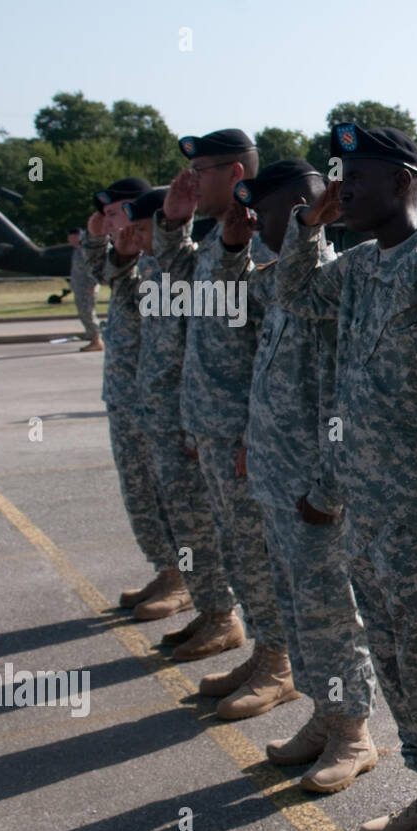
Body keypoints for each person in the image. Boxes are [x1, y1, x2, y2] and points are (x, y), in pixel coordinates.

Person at [275, 123, 417, 831]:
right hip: (367, 517)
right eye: (338, 177)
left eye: (358, 179)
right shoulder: (362, 267)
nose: (345, 190)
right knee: (398, 667)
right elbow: (296, 293)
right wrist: (310, 223)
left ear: (403, 182)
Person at [215, 159, 378, 792]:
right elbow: (239, 314)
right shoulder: (280, 279)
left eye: (277, 212)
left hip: (317, 484)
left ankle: (353, 732)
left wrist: (331, 484)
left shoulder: (334, 281)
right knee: (297, 607)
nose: (265, 224)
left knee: (331, 611)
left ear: (316, 209)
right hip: (278, 476)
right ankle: (324, 711)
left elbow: (346, 394)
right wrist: (255, 441)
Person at [153, 129, 294, 712]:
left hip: (243, 433)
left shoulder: (264, 242)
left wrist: (253, 435)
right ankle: (264, 651)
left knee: (261, 555)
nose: (191, 180)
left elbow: (277, 350)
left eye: (202, 171)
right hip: (211, 427)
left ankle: (282, 662)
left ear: (236, 173)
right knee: (239, 551)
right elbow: (171, 284)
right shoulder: (219, 241)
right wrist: (172, 222)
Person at [129, 184, 246, 657]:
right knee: (189, 526)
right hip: (182, 418)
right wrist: (170, 228)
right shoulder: (179, 264)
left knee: (211, 533)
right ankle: (210, 609)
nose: (141, 236)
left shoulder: (237, 256)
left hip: (206, 424)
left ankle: (227, 620)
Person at [82, 179, 179, 616]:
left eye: (119, 214)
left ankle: (185, 579)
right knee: (140, 494)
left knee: (170, 499)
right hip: (126, 397)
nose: (114, 224)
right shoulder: (132, 264)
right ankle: (167, 569)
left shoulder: (163, 268)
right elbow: (100, 274)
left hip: (156, 405)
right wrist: (99, 240)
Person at [67, 226, 102, 351]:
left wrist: (92, 285)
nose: (72, 241)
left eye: (74, 238)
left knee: (89, 314)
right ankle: (93, 338)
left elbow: (95, 268)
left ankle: (97, 339)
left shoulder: (85, 250)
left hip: (87, 289)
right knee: (84, 314)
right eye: (70, 238)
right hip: (79, 288)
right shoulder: (76, 251)